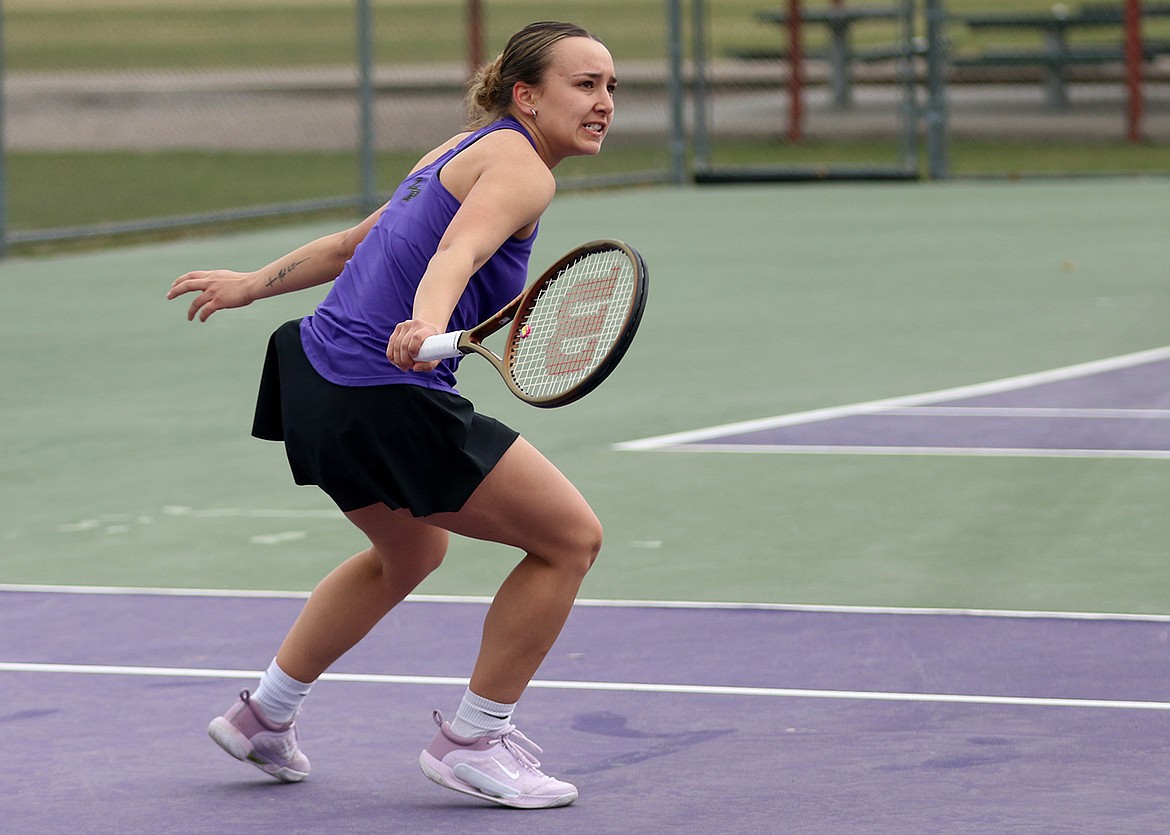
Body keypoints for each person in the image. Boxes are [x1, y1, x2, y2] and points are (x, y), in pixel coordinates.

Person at [166, 21, 617, 810]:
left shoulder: (457, 148)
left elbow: (352, 246)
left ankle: (264, 714)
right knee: (570, 540)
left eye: (612, 87)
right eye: (585, 85)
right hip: (377, 390)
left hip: (311, 374)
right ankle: (475, 739)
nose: (604, 102)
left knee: (408, 553)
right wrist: (424, 322)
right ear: (526, 94)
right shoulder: (522, 171)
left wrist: (251, 283)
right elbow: (457, 256)